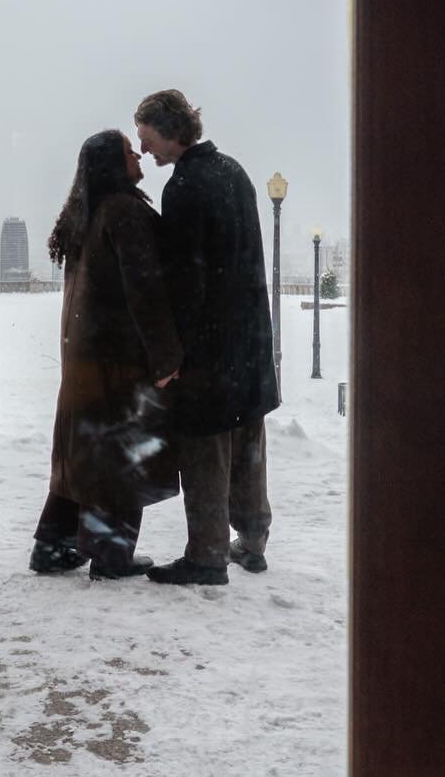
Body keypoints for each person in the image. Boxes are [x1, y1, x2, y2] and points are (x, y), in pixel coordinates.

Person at [134, 89, 279, 586]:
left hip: (210, 345)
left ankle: (206, 556)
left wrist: (173, 354)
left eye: (147, 138)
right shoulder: (233, 171)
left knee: (205, 449)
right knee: (248, 441)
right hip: (250, 338)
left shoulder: (186, 186)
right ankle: (253, 540)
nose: (145, 148)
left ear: (170, 130)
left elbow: (184, 281)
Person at [29, 130, 183, 580]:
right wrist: (166, 358)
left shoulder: (85, 215)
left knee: (84, 457)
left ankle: (53, 548)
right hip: (118, 362)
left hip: (84, 361)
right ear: (113, 167)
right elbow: (146, 293)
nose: (137, 155)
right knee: (119, 458)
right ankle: (112, 556)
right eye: (127, 152)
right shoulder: (123, 212)